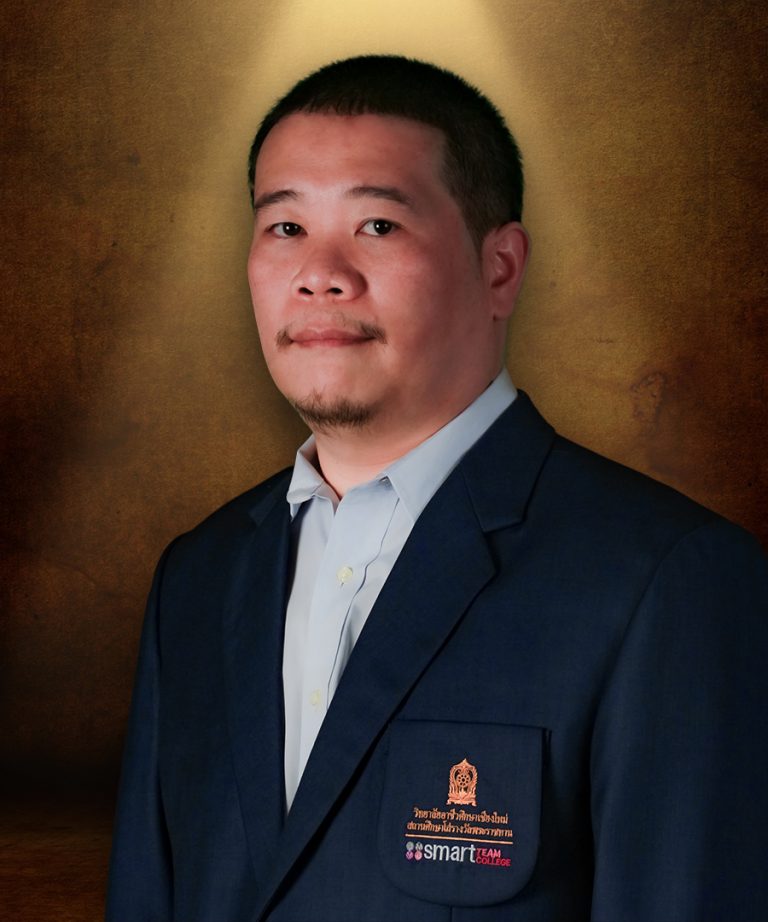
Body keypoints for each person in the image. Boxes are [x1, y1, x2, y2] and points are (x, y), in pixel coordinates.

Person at [105, 55, 768, 922]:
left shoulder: (667, 581)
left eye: (377, 225)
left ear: (501, 268)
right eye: (286, 227)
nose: (320, 273)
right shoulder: (197, 578)